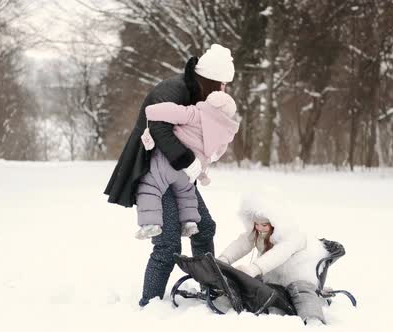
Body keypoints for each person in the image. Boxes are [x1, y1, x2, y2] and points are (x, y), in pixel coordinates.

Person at [103, 44, 236, 306]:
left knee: (204, 227)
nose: (224, 90)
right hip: (154, 174)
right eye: (222, 83)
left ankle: (207, 290)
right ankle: (149, 305)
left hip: (180, 176)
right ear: (210, 80)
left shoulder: (198, 95)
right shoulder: (172, 90)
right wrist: (189, 161)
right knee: (168, 244)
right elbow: (159, 129)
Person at [135, 91, 240, 240]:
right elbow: (216, 154)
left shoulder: (195, 114)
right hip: (190, 172)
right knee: (186, 194)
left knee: (150, 187)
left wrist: (151, 110)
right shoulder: (225, 132)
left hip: (170, 160)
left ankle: (151, 224)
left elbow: (173, 111)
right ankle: (190, 223)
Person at [217, 195, 328, 324]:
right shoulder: (259, 233)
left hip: (299, 271)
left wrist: (254, 268)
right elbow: (242, 243)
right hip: (273, 272)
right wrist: (224, 259)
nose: (259, 228)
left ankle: (313, 318)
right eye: (256, 224)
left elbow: (278, 254)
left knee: (301, 290)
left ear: (276, 224)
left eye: (264, 225)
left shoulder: (293, 236)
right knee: (256, 286)